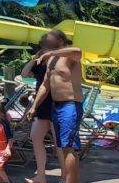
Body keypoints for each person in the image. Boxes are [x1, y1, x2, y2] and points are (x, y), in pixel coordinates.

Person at [28, 29, 82, 183]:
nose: (46, 42)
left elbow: (78, 51)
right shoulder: (51, 61)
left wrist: (50, 53)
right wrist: (34, 106)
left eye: (49, 39)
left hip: (70, 104)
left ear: (60, 40)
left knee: (67, 147)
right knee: (62, 146)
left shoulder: (70, 56)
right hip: (55, 106)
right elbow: (45, 85)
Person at [18, 35, 56, 183]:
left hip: (55, 103)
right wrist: (35, 58)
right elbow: (24, 73)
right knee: (36, 137)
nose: (43, 48)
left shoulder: (57, 61)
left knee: (59, 143)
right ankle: (41, 175)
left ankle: (66, 176)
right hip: (41, 104)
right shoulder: (39, 62)